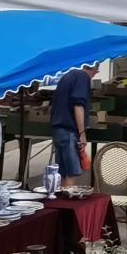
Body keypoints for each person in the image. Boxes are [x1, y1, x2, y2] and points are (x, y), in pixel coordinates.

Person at [49, 62, 92, 194]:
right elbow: (78, 105)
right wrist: (82, 132)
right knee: (71, 173)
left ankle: (61, 204)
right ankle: (67, 205)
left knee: (63, 171)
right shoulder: (82, 77)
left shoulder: (67, 76)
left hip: (58, 129)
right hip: (69, 130)